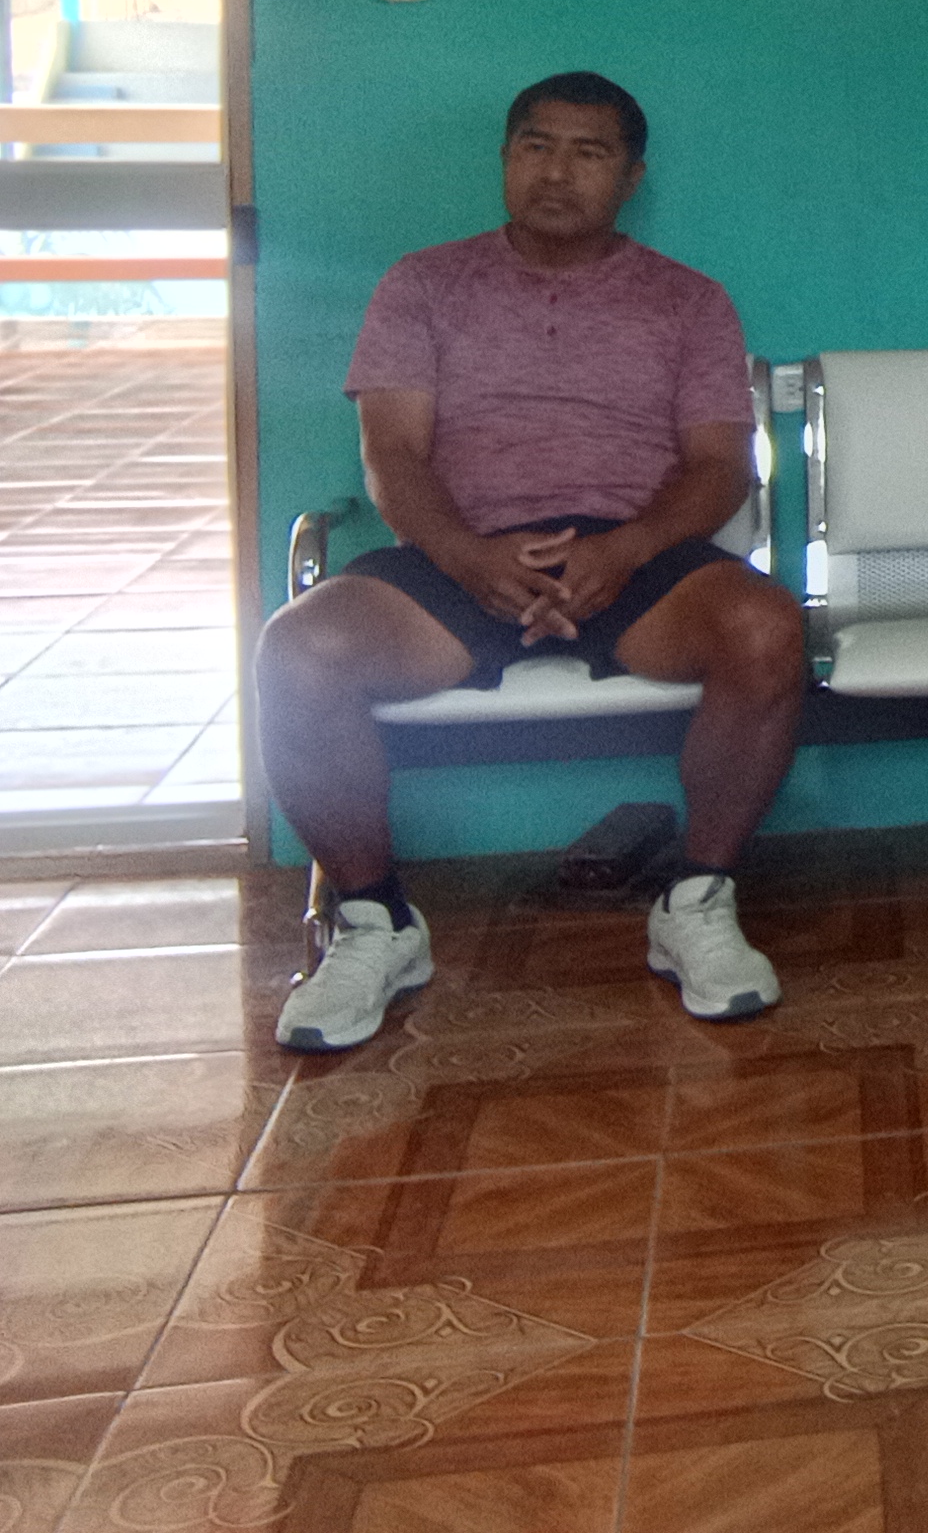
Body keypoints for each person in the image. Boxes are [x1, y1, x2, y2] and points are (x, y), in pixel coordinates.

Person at [256, 72, 804, 1051]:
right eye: (536, 147)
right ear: (506, 159)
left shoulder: (689, 302)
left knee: (766, 630)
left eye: (588, 153)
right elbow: (392, 457)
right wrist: (467, 557)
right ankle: (375, 923)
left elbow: (720, 467)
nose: (557, 172)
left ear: (631, 176)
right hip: (457, 548)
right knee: (297, 652)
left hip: (633, 552)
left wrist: (625, 548)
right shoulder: (422, 285)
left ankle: (695, 901)